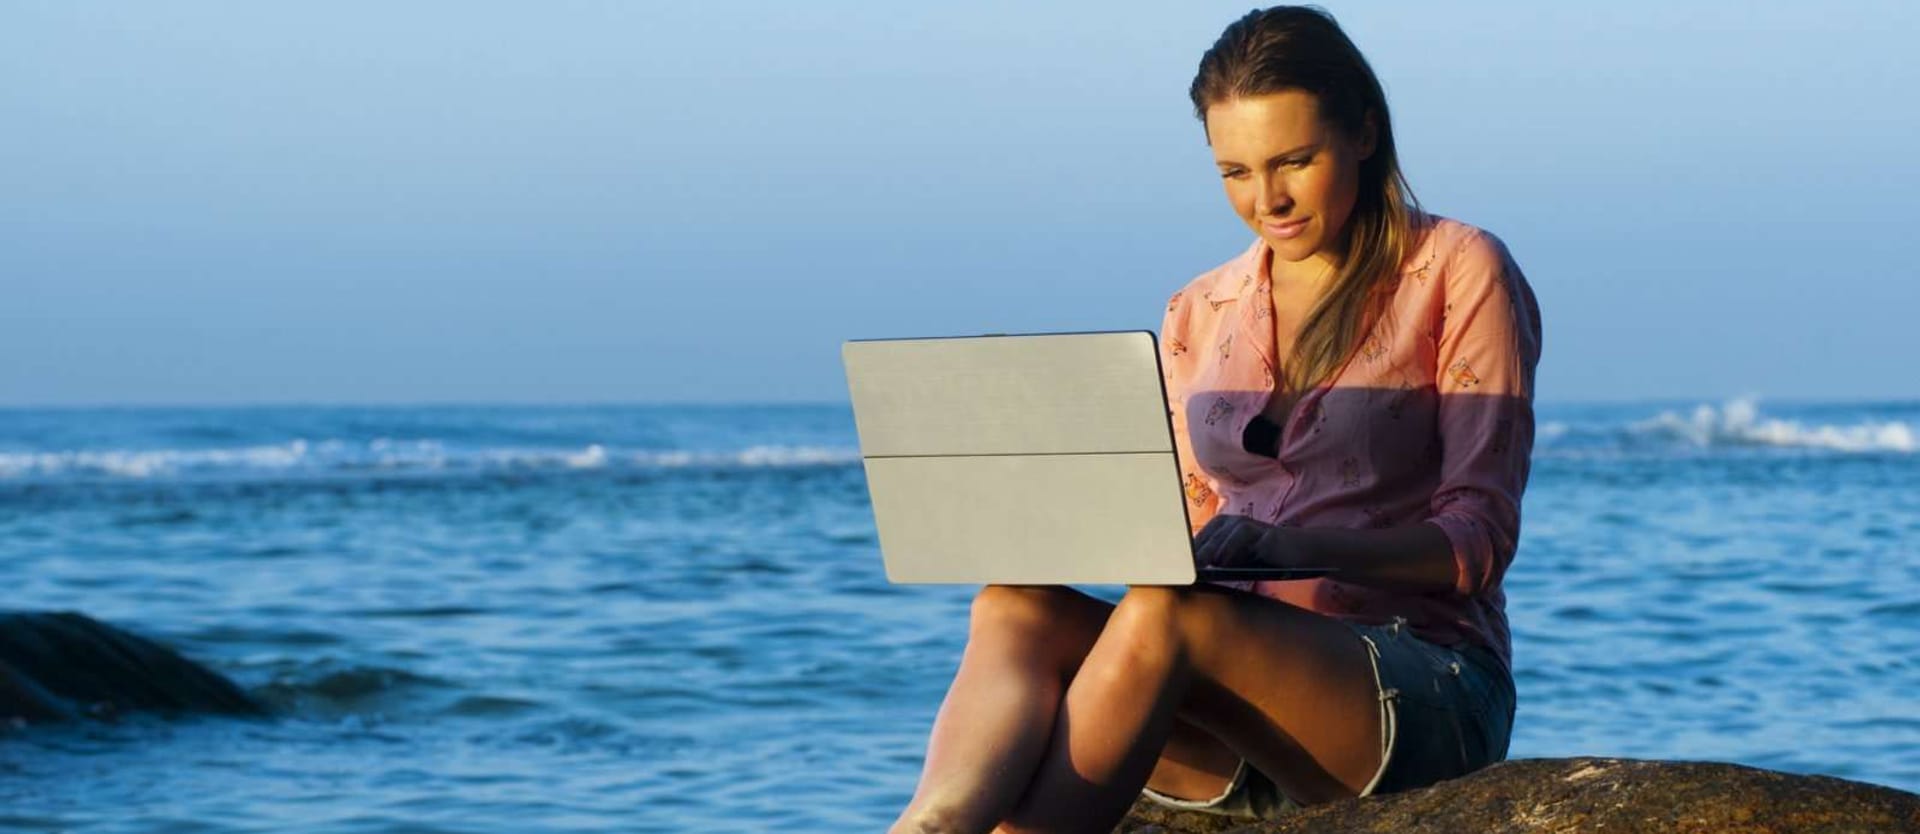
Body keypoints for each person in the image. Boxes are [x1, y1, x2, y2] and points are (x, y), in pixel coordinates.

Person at [889, 6, 1542, 833]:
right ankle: (931, 824)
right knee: (1012, 606)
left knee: (1169, 616)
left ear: (1364, 131)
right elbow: (1187, 524)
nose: (1266, 198)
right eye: (1235, 172)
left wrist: (1301, 549)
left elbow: (1478, 543)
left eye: (1294, 161)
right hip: (1225, 707)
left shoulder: (1458, 269)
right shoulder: (1201, 308)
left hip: (1413, 688)